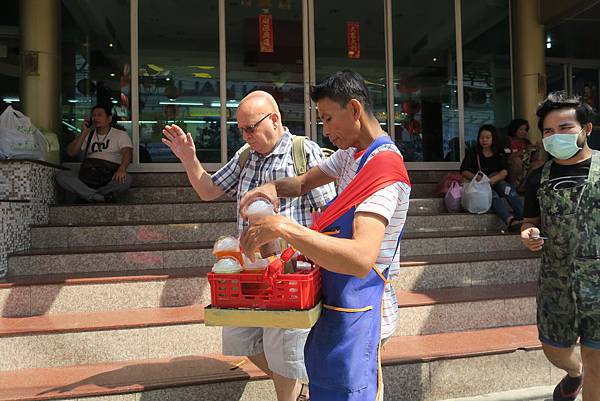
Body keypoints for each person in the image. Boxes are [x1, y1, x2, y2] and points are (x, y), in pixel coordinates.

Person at [237, 70, 411, 401]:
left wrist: (284, 227)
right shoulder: (353, 155)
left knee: (353, 389)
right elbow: (302, 183)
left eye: (329, 119)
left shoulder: (383, 170)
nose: (326, 131)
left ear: (355, 110)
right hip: (341, 297)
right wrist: (269, 189)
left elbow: (361, 258)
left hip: (364, 305)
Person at [161, 90, 336, 401]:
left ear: (275, 120)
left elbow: (330, 213)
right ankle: (304, 387)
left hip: (288, 273)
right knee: (241, 341)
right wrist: (189, 159)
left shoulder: (302, 152)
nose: (245, 135)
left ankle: (294, 393)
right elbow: (209, 189)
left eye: (250, 128)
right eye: (240, 128)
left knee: (282, 351)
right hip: (248, 273)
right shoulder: (246, 155)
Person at [521, 92, 599, 401]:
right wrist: (528, 234)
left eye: (565, 128)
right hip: (556, 284)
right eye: (549, 131)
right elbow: (528, 221)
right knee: (554, 349)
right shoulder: (538, 178)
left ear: (586, 129)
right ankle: (574, 372)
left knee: (597, 362)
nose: (556, 136)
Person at [56, 104, 133, 203]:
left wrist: (122, 169)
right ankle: (99, 196)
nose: (95, 118)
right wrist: (84, 133)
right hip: (88, 174)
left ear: (109, 119)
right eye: (94, 115)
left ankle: (91, 195)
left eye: (99, 115)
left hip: (109, 175)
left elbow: (127, 152)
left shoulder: (120, 134)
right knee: (62, 176)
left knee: (126, 180)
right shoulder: (88, 134)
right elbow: (71, 152)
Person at [460, 124, 524, 232]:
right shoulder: (473, 152)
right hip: (481, 186)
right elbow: (464, 171)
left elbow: (504, 170)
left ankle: (523, 217)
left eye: (487, 137)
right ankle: (510, 221)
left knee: (507, 189)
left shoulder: (499, 152)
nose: (484, 140)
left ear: (493, 138)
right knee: (492, 195)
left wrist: (494, 179)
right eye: (481, 137)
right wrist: (477, 177)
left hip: (497, 181)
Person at [506, 118, 543, 192]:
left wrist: (537, 150)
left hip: (525, 167)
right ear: (514, 129)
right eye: (521, 129)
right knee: (517, 161)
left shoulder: (526, 141)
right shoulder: (507, 140)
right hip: (510, 167)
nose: (524, 132)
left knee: (540, 163)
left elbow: (533, 160)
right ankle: (512, 186)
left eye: (525, 130)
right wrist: (524, 150)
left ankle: (523, 186)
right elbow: (507, 157)